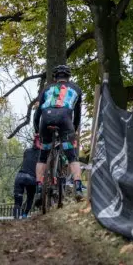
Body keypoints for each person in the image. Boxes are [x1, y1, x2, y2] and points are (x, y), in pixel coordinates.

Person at [33, 64, 84, 200]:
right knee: (72, 157)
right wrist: (73, 129)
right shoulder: (77, 89)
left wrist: (37, 131)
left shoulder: (46, 89)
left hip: (46, 120)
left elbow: (37, 113)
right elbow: (77, 114)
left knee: (43, 156)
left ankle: (38, 189)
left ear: (55, 77)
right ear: (68, 77)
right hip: (65, 119)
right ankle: (78, 187)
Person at [13, 144, 40, 218]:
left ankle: (16, 218)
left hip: (20, 176)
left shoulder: (26, 151)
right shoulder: (42, 154)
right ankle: (25, 215)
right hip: (31, 178)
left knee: (17, 201)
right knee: (30, 198)